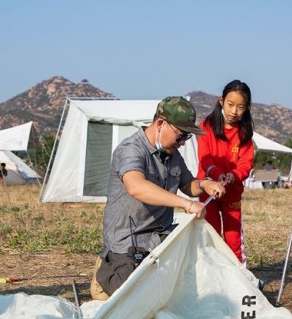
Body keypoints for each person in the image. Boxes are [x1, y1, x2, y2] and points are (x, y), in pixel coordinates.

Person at [93, 97, 226, 298]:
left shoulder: (172, 155)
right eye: (180, 136)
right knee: (130, 295)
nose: (182, 143)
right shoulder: (130, 149)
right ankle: (105, 273)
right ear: (161, 124)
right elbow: (136, 187)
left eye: (187, 138)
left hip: (161, 238)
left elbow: (187, 185)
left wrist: (205, 184)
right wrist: (186, 204)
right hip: (129, 241)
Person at [197, 80, 255, 265]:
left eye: (240, 107)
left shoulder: (244, 132)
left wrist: (235, 175)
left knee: (233, 238)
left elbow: (246, 162)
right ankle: (213, 274)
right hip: (208, 191)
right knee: (211, 234)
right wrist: (216, 174)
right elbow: (204, 158)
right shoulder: (206, 126)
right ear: (221, 101)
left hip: (232, 193)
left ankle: (239, 274)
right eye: (230, 105)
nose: (234, 111)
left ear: (246, 108)